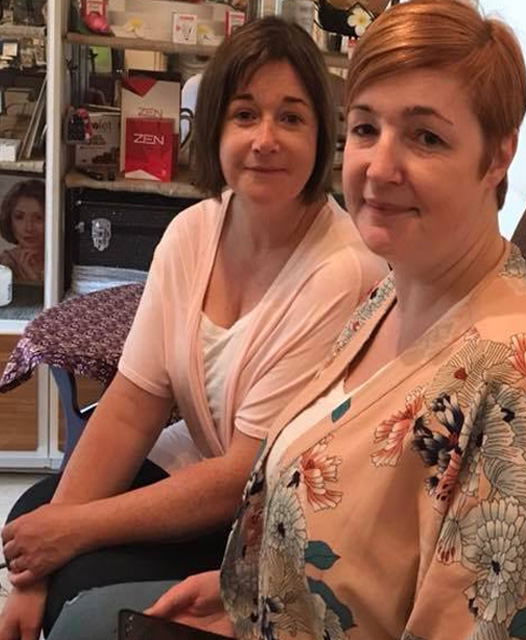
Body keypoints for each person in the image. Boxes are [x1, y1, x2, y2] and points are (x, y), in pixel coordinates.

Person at [42, 1, 526, 639]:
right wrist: (245, 594)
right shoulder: (395, 292)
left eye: (426, 137)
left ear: (498, 155)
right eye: (367, 128)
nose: (379, 168)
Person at [0, 17, 387, 640]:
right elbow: (133, 404)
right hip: (206, 472)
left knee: (79, 580)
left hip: (270, 520)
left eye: (291, 117)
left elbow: (244, 474)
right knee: (33, 516)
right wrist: (37, 565)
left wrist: (71, 533)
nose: (265, 139)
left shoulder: (342, 272)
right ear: (213, 129)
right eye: (244, 114)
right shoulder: (194, 230)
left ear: (323, 135)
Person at [0, 179, 45, 284]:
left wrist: (34, 279)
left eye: (38, 218)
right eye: (19, 217)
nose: (29, 228)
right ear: (9, 220)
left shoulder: (64, 260)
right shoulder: (4, 265)